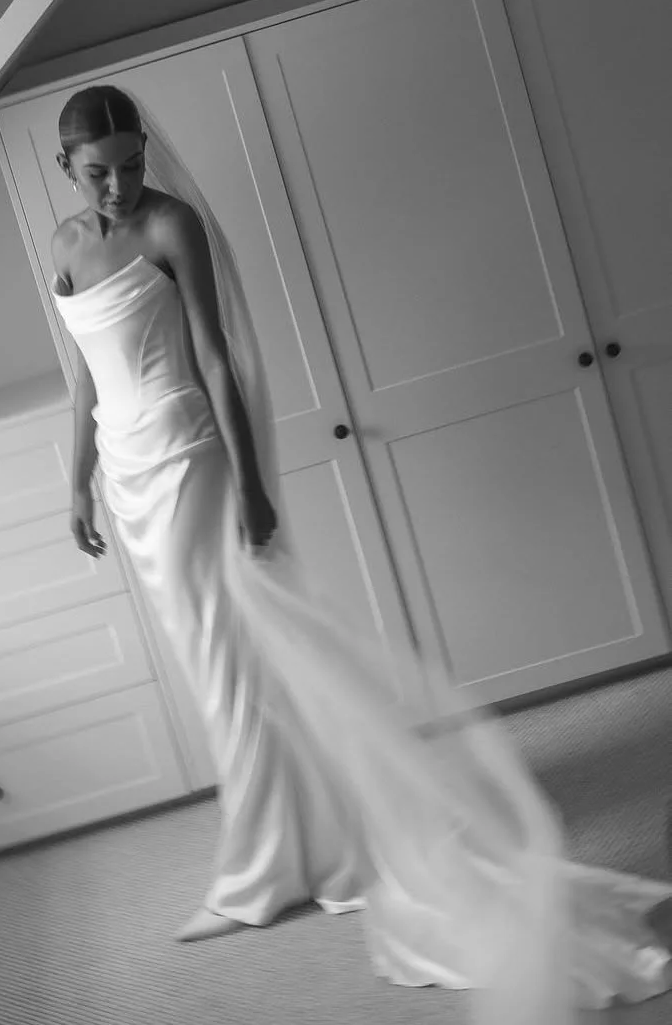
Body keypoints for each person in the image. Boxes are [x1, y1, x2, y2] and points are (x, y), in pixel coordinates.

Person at [48, 83, 672, 1024]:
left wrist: (251, 479)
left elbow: (217, 357)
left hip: (189, 461)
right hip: (127, 476)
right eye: (99, 171)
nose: (120, 185)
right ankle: (302, 845)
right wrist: (73, 480)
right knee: (217, 665)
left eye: (133, 163)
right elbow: (82, 384)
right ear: (64, 168)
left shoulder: (171, 227)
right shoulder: (62, 247)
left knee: (226, 664)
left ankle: (261, 872)